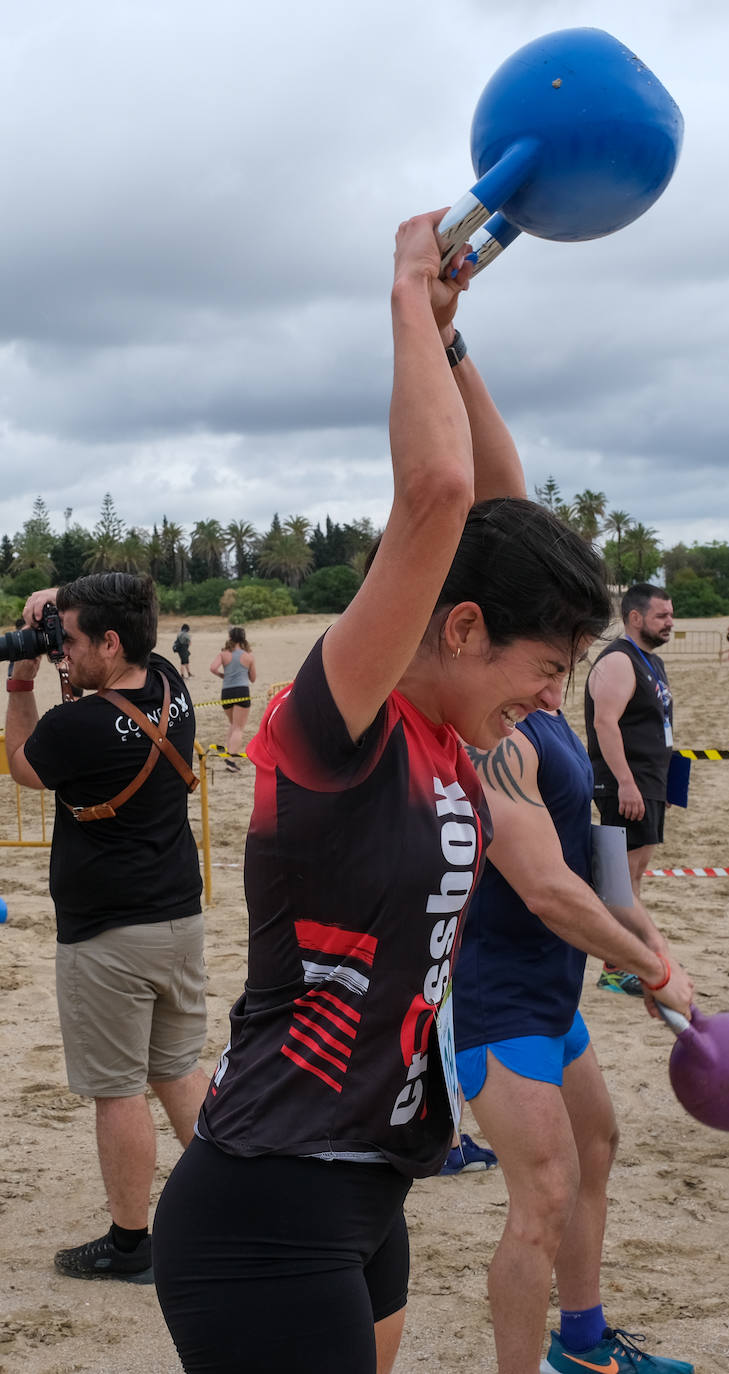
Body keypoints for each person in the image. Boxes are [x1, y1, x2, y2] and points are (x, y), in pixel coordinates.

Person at [151, 210, 613, 1374]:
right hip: (264, 1207)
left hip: (372, 1191)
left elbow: (503, 517)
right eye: (544, 671)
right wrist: (407, 291)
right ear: (460, 630)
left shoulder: (451, 732)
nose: (550, 701)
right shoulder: (339, 727)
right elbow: (442, 497)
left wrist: (455, 344)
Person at [455, 713, 695, 1374]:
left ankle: (583, 1345)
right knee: (544, 1198)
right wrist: (651, 972)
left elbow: (592, 859)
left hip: (552, 987)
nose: (554, 678)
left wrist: (651, 945)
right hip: (494, 997)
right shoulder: (492, 730)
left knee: (595, 1145)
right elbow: (546, 890)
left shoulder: (549, 718)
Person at [4, 572, 206, 1284]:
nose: (64, 652)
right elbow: (121, 622)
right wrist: (63, 604)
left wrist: (23, 681)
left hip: (108, 937)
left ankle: (129, 1246)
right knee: (178, 1070)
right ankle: (236, 1205)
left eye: (73, 640)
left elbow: (25, 769)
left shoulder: (76, 726)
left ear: (111, 641)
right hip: (179, 917)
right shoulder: (169, 680)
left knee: (117, 1090)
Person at [584, 583, 675, 995]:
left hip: (648, 782)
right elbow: (605, 722)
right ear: (635, 617)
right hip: (627, 784)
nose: (669, 622)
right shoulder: (620, 660)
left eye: (671, 615)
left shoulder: (650, 661)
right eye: (662, 616)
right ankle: (618, 967)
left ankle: (623, 963)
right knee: (620, 881)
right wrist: (624, 782)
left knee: (633, 877)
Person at [210, 625, 255, 771]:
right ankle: (231, 759)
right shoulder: (248, 656)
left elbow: (213, 668)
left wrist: (223, 675)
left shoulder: (224, 654)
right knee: (238, 728)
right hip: (241, 691)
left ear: (230, 637)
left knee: (233, 724)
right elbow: (253, 679)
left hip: (227, 692)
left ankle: (228, 753)